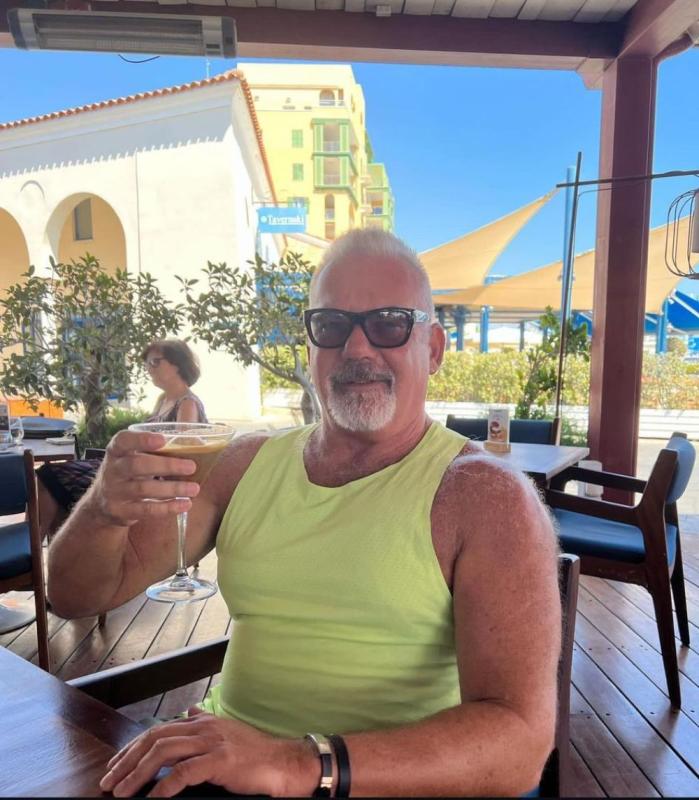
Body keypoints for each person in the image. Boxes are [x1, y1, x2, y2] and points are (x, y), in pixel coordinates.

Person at [47, 230, 561, 798]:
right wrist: (103, 510)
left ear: (433, 348)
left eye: (389, 323)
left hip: (375, 782)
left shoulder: (487, 498)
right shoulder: (242, 465)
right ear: (310, 345)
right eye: (332, 325)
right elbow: (76, 596)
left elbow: (520, 743)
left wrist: (296, 764)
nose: (357, 348)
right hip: (217, 765)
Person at [37, 338, 207, 538]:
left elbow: (182, 450)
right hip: (139, 470)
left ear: (177, 364)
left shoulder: (187, 403)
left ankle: (36, 549)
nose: (149, 368)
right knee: (51, 479)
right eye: (147, 363)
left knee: (52, 477)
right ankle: (47, 548)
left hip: (151, 476)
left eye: (155, 362)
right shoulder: (164, 399)